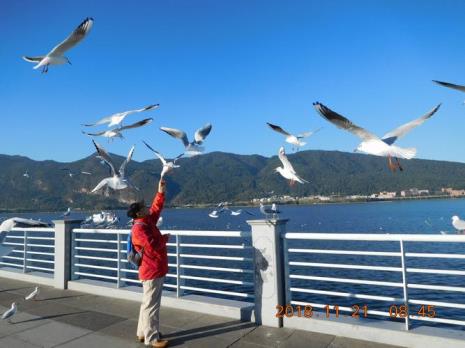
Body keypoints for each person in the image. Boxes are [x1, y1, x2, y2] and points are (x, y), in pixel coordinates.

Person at [127, 179, 170, 348]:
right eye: (144, 208)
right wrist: (164, 238)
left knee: (147, 303)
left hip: (152, 269)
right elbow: (151, 246)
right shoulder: (139, 229)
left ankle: (142, 332)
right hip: (151, 270)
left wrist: (160, 192)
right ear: (138, 213)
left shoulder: (146, 222)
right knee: (152, 305)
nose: (147, 209)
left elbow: (156, 209)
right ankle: (152, 339)